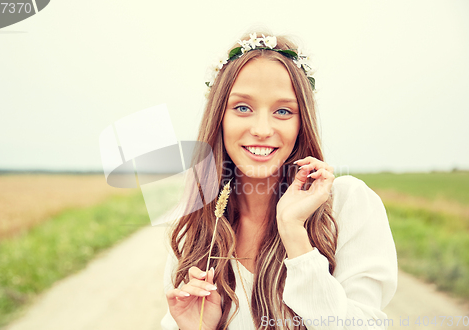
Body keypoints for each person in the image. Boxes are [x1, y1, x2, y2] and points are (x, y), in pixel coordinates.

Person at [161, 31, 397, 330]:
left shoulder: (348, 203)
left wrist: (294, 233)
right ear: (219, 117)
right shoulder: (195, 225)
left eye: (283, 111)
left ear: (302, 122)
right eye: (242, 107)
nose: (262, 129)